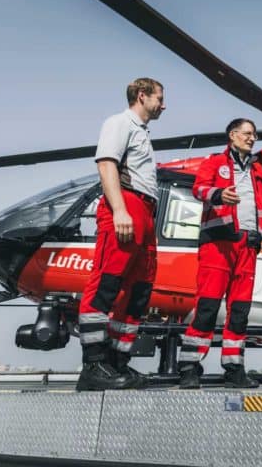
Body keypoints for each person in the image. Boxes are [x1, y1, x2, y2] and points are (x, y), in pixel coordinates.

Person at [178, 118, 262, 389]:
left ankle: (234, 368)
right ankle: (190, 367)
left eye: (254, 135)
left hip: (248, 247)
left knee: (240, 312)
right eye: (247, 134)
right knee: (206, 307)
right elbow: (198, 189)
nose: (252, 139)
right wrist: (218, 195)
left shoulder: (257, 172)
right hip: (218, 246)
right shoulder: (214, 162)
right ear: (232, 135)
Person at [76, 78, 165, 391]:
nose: (163, 105)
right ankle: (93, 366)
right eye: (159, 98)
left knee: (138, 291)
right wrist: (119, 210)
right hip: (126, 203)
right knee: (106, 283)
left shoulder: (141, 132)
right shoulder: (118, 123)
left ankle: (116, 364)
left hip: (145, 211)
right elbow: (106, 165)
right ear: (142, 96)